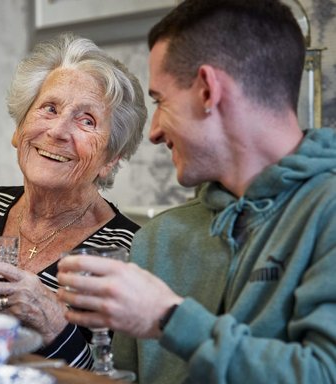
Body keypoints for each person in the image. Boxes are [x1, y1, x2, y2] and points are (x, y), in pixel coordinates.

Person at [57, 0, 336, 382]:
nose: (153, 132)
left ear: (207, 90)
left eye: (160, 101)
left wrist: (168, 317)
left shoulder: (327, 212)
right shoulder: (156, 241)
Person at [0, 33, 148, 369]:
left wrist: (53, 322)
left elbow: (109, 378)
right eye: (50, 108)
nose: (58, 131)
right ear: (19, 129)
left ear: (111, 159)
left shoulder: (125, 250)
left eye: (86, 121)